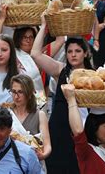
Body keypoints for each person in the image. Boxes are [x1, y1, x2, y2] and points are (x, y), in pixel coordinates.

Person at [31, 13, 93, 174]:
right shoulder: (61, 70)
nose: (73, 54)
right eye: (70, 51)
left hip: (83, 131)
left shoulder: (94, 75)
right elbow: (35, 54)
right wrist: (44, 27)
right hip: (59, 131)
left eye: (78, 51)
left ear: (85, 53)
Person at [0, 6, 45, 101]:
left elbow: (59, 41)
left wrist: (45, 23)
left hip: (34, 100)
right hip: (14, 98)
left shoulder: (39, 55)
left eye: (31, 37)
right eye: (25, 37)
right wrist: (2, 19)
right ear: (18, 38)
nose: (28, 40)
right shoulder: (11, 53)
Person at [8, 74, 52, 164]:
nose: (16, 96)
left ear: (29, 94)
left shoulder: (40, 115)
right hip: (9, 162)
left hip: (32, 162)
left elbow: (47, 146)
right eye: (13, 91)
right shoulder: (6, 114)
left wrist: (43, 155)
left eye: (20, 92)